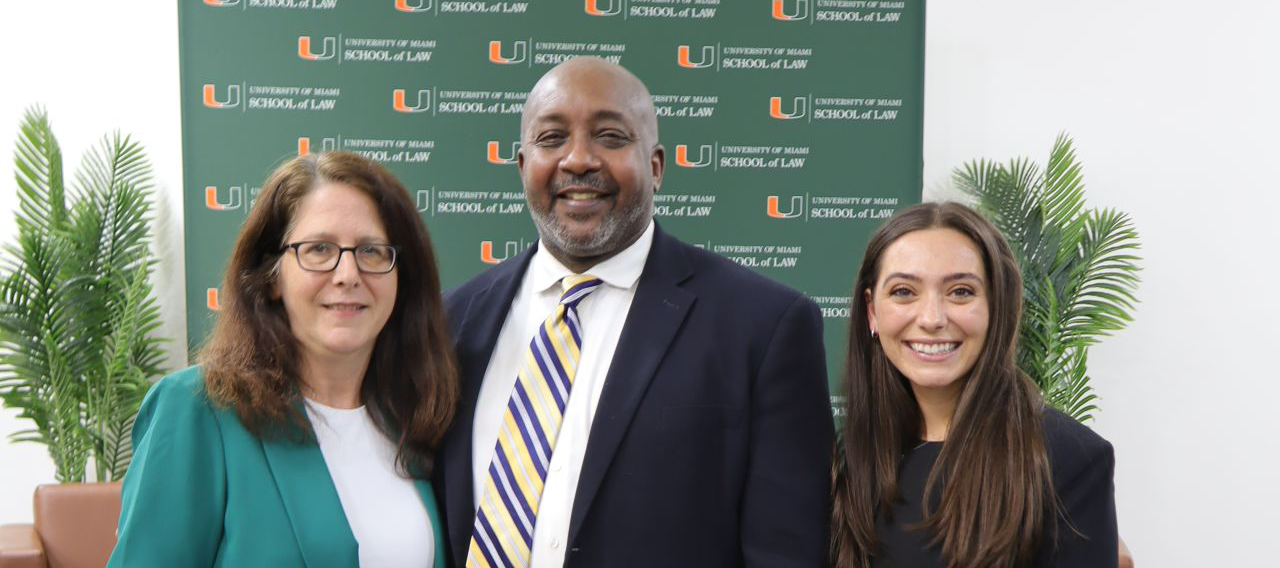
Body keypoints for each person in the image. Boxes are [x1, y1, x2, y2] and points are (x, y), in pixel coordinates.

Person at [435, 57, 833, 568]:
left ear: (656, 166)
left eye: (610, 136)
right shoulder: (452, 323)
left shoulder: (763, 327)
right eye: (552, 138)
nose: (578, 159)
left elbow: (787, 553)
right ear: (522, 165)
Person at [107, 151, 458, 568]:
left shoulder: (415, 417)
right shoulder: (197, 409)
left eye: (371, 251)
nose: (348, 274)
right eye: (319, 249)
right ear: (271, 276)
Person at [830, 202, 1118, 568]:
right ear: (872, 311)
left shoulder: (1066, 457)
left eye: (961, 292)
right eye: (903, 291)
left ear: (996, 305)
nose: (932, 318)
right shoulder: (854, 456)